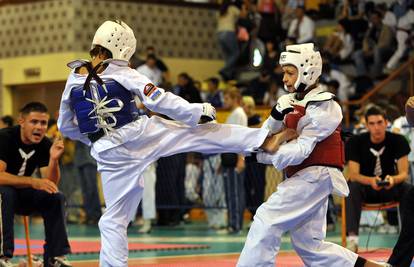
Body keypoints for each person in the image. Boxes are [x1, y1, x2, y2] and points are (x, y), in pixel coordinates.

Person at [57, 20, 290, 266]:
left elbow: (66, 126)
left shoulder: (72, 79)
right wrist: (195, 111)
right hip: (139, 134)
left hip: (108, 153)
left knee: (112, 219)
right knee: (201, 134)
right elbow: (158, 99)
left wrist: (96, 140)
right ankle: (263, 139)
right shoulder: (120, 71)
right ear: (122, 48)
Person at [237, 43, 388, 267]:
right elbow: (264, 138)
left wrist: (266, 150)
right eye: (284, 73)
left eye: (290, 73)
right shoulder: (289, 102)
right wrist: (275, 120)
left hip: (315, 174)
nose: (285, 79)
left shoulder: (325, 106)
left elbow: (300, 150)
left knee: (266, 219)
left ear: (307, 71)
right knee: (310, 245)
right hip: (305, 176)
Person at [0, 102, 71, 267]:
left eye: (43, 123)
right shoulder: (5, 137)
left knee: (55, 197)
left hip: (21, 196)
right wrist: (32, 181)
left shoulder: (45, 144)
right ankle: (3, 257)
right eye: (34, 122)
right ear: (22, 122)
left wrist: (54, 159)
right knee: (6, 193)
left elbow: (50, 183)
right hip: (3, 196)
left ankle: (55, 257)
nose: (39, 127)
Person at [346, 106, 412, 252]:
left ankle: (408, 238)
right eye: (372, 123)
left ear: (386, 122)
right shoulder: (355, 142)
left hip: (390, 187)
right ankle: (352, 241)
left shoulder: (398, 140)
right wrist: (371, 181)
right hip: (366, 188)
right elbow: (354, 174)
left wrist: (393, 180)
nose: (376, 127)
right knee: (352, 188)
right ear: (367, 125)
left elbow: (403, 173)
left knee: (408, 189)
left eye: (380, 122)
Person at [385, 97, 414, 267]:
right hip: (407, 161)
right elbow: (410, 122)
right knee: (410, 197)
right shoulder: (401, 122)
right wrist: (410, 110)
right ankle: (397, 263)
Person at [74, 141, 102, 225]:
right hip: (79, 158)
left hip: (89, 158)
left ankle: (96, 215)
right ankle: (89, 214)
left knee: (91, 189)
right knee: (85, 190)